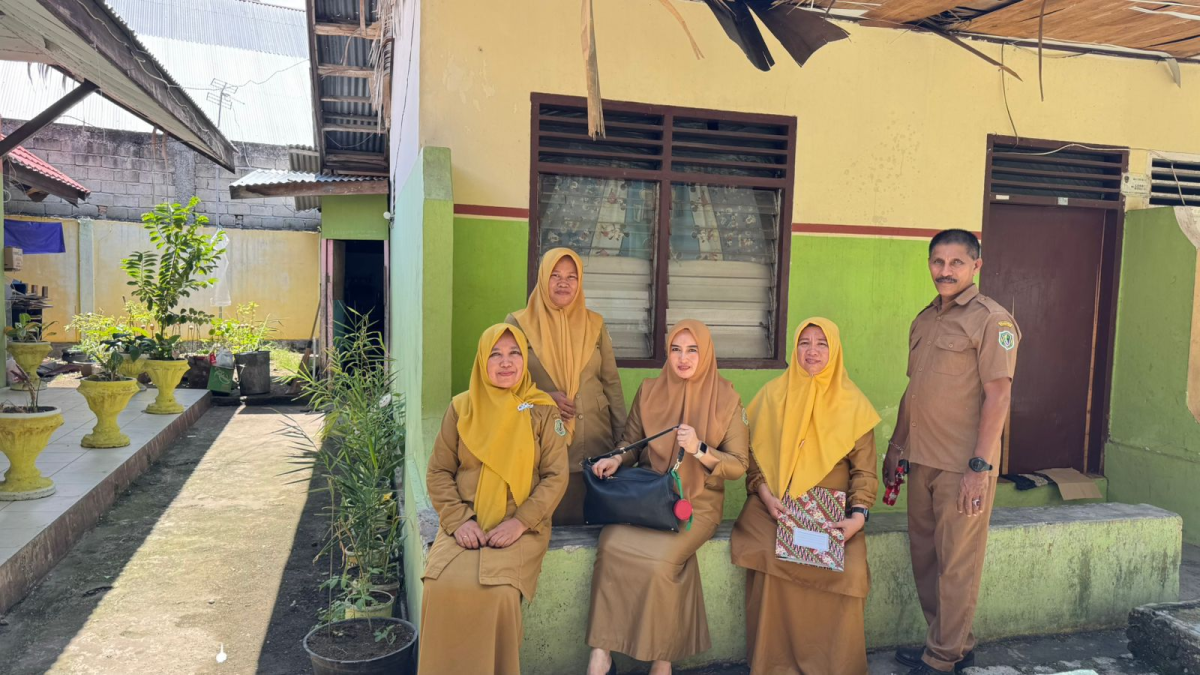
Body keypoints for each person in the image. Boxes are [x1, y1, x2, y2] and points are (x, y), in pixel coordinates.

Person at [882, 229, 1021, 674]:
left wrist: (980, 467)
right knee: (926, 558)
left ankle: (942, 657)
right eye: (937, 262)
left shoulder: (992, 321)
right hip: (921, 459)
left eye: (956, 262)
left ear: (975, 266)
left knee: (958, 564)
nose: (945, 271)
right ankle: (951, 643)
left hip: (963, 466)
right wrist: (896, 446)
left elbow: (999, 396)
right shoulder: (925, 319)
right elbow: (914, 391)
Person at [585, 320, 749, 675]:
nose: (683, 358)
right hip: (648, 498)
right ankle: (602, 652)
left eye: (692, 350)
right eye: (676, 349)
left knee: (662, 563)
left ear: (706, 354)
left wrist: (700, 448)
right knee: (611, 544)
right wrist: (616, 460)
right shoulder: (649, 390)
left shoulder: (727, 399)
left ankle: (661, 661)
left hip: (697, 502)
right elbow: (630, 444)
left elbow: (738, 465)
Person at [731, 318, 881, 675]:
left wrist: (857, 517)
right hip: (777, 506)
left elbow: (864, 472)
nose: (812, 351)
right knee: (770, 551)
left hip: (833, 512)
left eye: (821, 343)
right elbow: (753, 460)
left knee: (848, 567)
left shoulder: (854, 404)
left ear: (835, 350)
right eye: (804, 342)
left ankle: (834, 666)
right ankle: (774, 664)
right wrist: (766, 495)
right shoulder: (773, 396)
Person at [419, 324, 569, 675]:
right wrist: (458, 521)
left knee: (499, 593)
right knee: (440, 587)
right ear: (482, 361)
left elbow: (555, 477)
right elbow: (439, 471)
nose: (506, 363)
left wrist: (520, 522)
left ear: (525, 360)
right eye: (496, 355)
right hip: (465, 521)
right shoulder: (462, 408)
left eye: (514, 353)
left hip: (521, 524)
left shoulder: (542, 410)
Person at [507, 247, 626, 525]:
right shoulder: (519, 323)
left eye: (571, 276)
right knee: (549, 519)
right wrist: (543, 397)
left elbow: (611, 382)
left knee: (593, 523)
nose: (564, 283)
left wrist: (623, 445)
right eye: (555, 275)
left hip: (595, 439)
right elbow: (505, 387)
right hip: (545, 439)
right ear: (542, 278)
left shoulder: (594, 324)